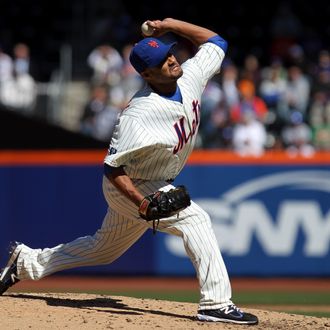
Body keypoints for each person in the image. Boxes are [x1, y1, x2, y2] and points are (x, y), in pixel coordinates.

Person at [0, 18, 258, 325]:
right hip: (131, 184)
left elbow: (217, 42)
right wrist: (141, 202)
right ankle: (216, 304)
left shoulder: (190, 75)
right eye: (162, 60)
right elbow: (113, 169)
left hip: (155, 179)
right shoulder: (139, 114)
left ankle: (26, 263)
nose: (172, 59)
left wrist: (171, 25)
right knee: (196, 220)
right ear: (147, 73)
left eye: (170, 52)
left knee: (104, 249)